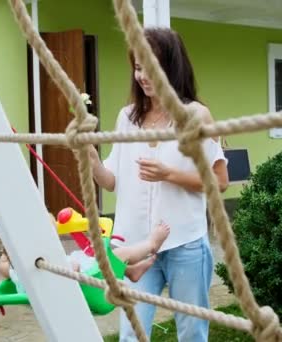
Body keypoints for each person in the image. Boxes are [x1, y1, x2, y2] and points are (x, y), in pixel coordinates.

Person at [89, 27, 229, 342]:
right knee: (131, 333)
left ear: (172, 68)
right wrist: (93, 162)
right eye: (138, 67)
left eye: (152, 68)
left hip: (185, 243)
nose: (143, 76)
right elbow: (111, 181)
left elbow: (220, 182)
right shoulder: (128, 117)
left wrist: (169, 174)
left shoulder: (196, 115)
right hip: (136, 246)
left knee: (192, 332)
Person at [0, 215, 171, 292]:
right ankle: (151, 243)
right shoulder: (52, 266)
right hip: (88, 282)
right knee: (117, 254)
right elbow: (74, 268)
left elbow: (2, 266)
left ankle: (131, 271)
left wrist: (8, 252)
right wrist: (72, 265)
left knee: (94, 255)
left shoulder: (16, 271)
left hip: (70, 278)